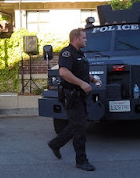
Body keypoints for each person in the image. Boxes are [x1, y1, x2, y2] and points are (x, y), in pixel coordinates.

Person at [47, 28, 102, 171]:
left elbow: (81, 72)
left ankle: (56, 144)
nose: (86, 40)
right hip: (71, 95)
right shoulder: (67, 53)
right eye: (84, 38)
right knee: (80, 128)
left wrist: (92, 79)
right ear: (76, 39)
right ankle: (81, 160)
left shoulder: (80, 54)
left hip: (80, 95)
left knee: (78, 124)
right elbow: (63, 72)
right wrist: (82, 84)